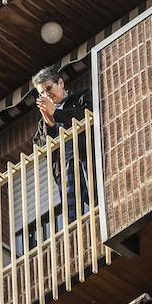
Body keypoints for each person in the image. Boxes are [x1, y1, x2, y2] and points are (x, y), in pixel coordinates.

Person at [31, 66, 92, 224]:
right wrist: (50, 125)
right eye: (42, 93)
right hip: (64, 167)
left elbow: (86, 114)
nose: (47, 94)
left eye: (49, 88)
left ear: (60, 83)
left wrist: (56, 113)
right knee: (72, 216)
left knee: (96, 196)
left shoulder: (81, 97)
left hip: (87, 157)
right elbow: (40, 148)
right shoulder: (43, 123)